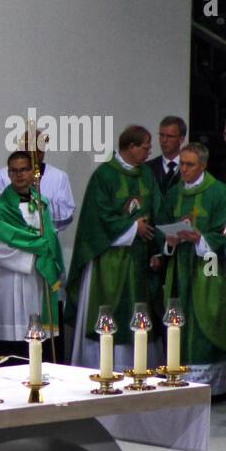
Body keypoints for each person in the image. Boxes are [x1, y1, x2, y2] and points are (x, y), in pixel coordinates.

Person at [66, 126, 164, 372]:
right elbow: (96, 218)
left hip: (139, 259)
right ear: (131, 147)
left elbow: (158, 211)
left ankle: (138, 368)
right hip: (108, 260)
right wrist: (133, 228)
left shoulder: (147, 175)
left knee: (138, 313)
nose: (150, 151)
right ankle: (106, 369)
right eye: (145, 146)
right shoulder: (105, 175)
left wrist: (157, 246)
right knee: (109, 312)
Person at [158, 143, 226, 394]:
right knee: (179, 321)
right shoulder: (173, 194)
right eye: (181, 163)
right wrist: (168, 243)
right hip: (180, 269)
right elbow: (161, 227)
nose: (183, 169)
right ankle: (180, 379)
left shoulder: (219, 193)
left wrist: (200, 239)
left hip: (209, 268)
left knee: (209, 318)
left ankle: (212, 387)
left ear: (203, 165)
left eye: (189, 164)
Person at [0, 151, 66, 359]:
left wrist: (45, 256)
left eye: (24, 170)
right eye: (14, 171)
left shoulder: (42, 204)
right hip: (10, 279)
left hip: (37, 280)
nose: (19, 175)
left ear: (33, 173)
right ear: (9, 174)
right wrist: (31, 257)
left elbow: (49, 239)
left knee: (38, 339)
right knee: (13, 338)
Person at [0, 132, 76, 231]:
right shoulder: (1, 176)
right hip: (12, 241)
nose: (35, 153)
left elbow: (67, 214)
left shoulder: (58, 177)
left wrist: (42, 208)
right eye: (30, 149)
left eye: (39, 150)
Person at [147, 116, 187, 193]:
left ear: (181, 139)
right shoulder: (148, 168)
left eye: (170, 136)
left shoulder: (192, 167)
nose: (164, 140)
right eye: (161, 135)